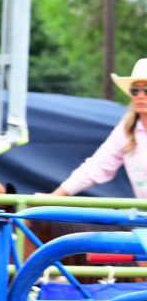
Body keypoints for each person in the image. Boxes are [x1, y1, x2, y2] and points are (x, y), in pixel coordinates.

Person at [51, 58, 147, 199]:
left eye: (146, 89)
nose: (140, 95)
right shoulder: (127, 129)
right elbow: (96, 166)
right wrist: (54, 197)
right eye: (135, 90)